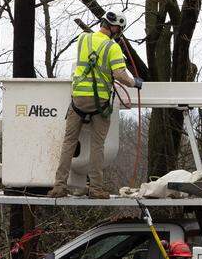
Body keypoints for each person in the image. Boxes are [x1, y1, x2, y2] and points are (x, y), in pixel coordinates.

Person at [47, 11, 142, 199]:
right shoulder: (113, 47)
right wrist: (135, 83)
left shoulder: (83, 39)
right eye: (119, 30)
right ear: (115, 28)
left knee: (69, 142)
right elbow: (120, 75)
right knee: (97, 145)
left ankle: (59, 186)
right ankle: (96, 188)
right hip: (99, 103)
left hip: (78, 100)